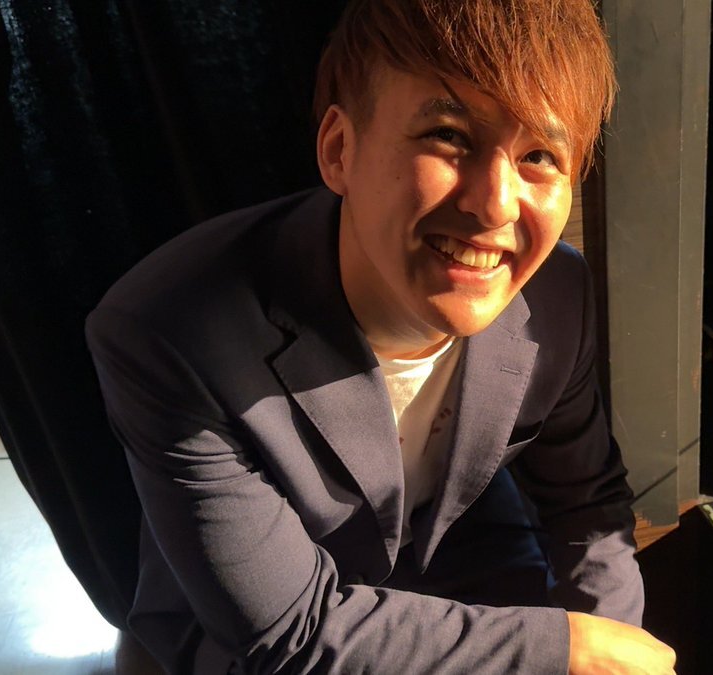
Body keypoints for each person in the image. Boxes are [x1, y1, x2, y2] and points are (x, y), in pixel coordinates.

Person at [86, 0, 675, 672]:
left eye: (538, 155)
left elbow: (586, 505)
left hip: (460, 569)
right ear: (340, 149)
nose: (494, 205)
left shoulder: (557, 294)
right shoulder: (167, 332)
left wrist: (611, 645)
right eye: (449, 136)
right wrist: (566, 649)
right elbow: (291, 634)